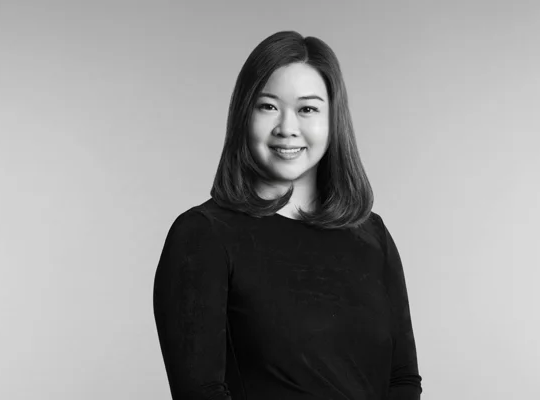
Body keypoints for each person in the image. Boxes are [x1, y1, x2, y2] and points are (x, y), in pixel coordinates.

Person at [153, 30, 422, 400]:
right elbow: (201, 392)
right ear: (243, 115)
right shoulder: (203, 235)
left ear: (333, 121)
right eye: (268, 106)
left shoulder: (371, 234)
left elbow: (403, 379)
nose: (287, 128)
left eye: (307, 109)